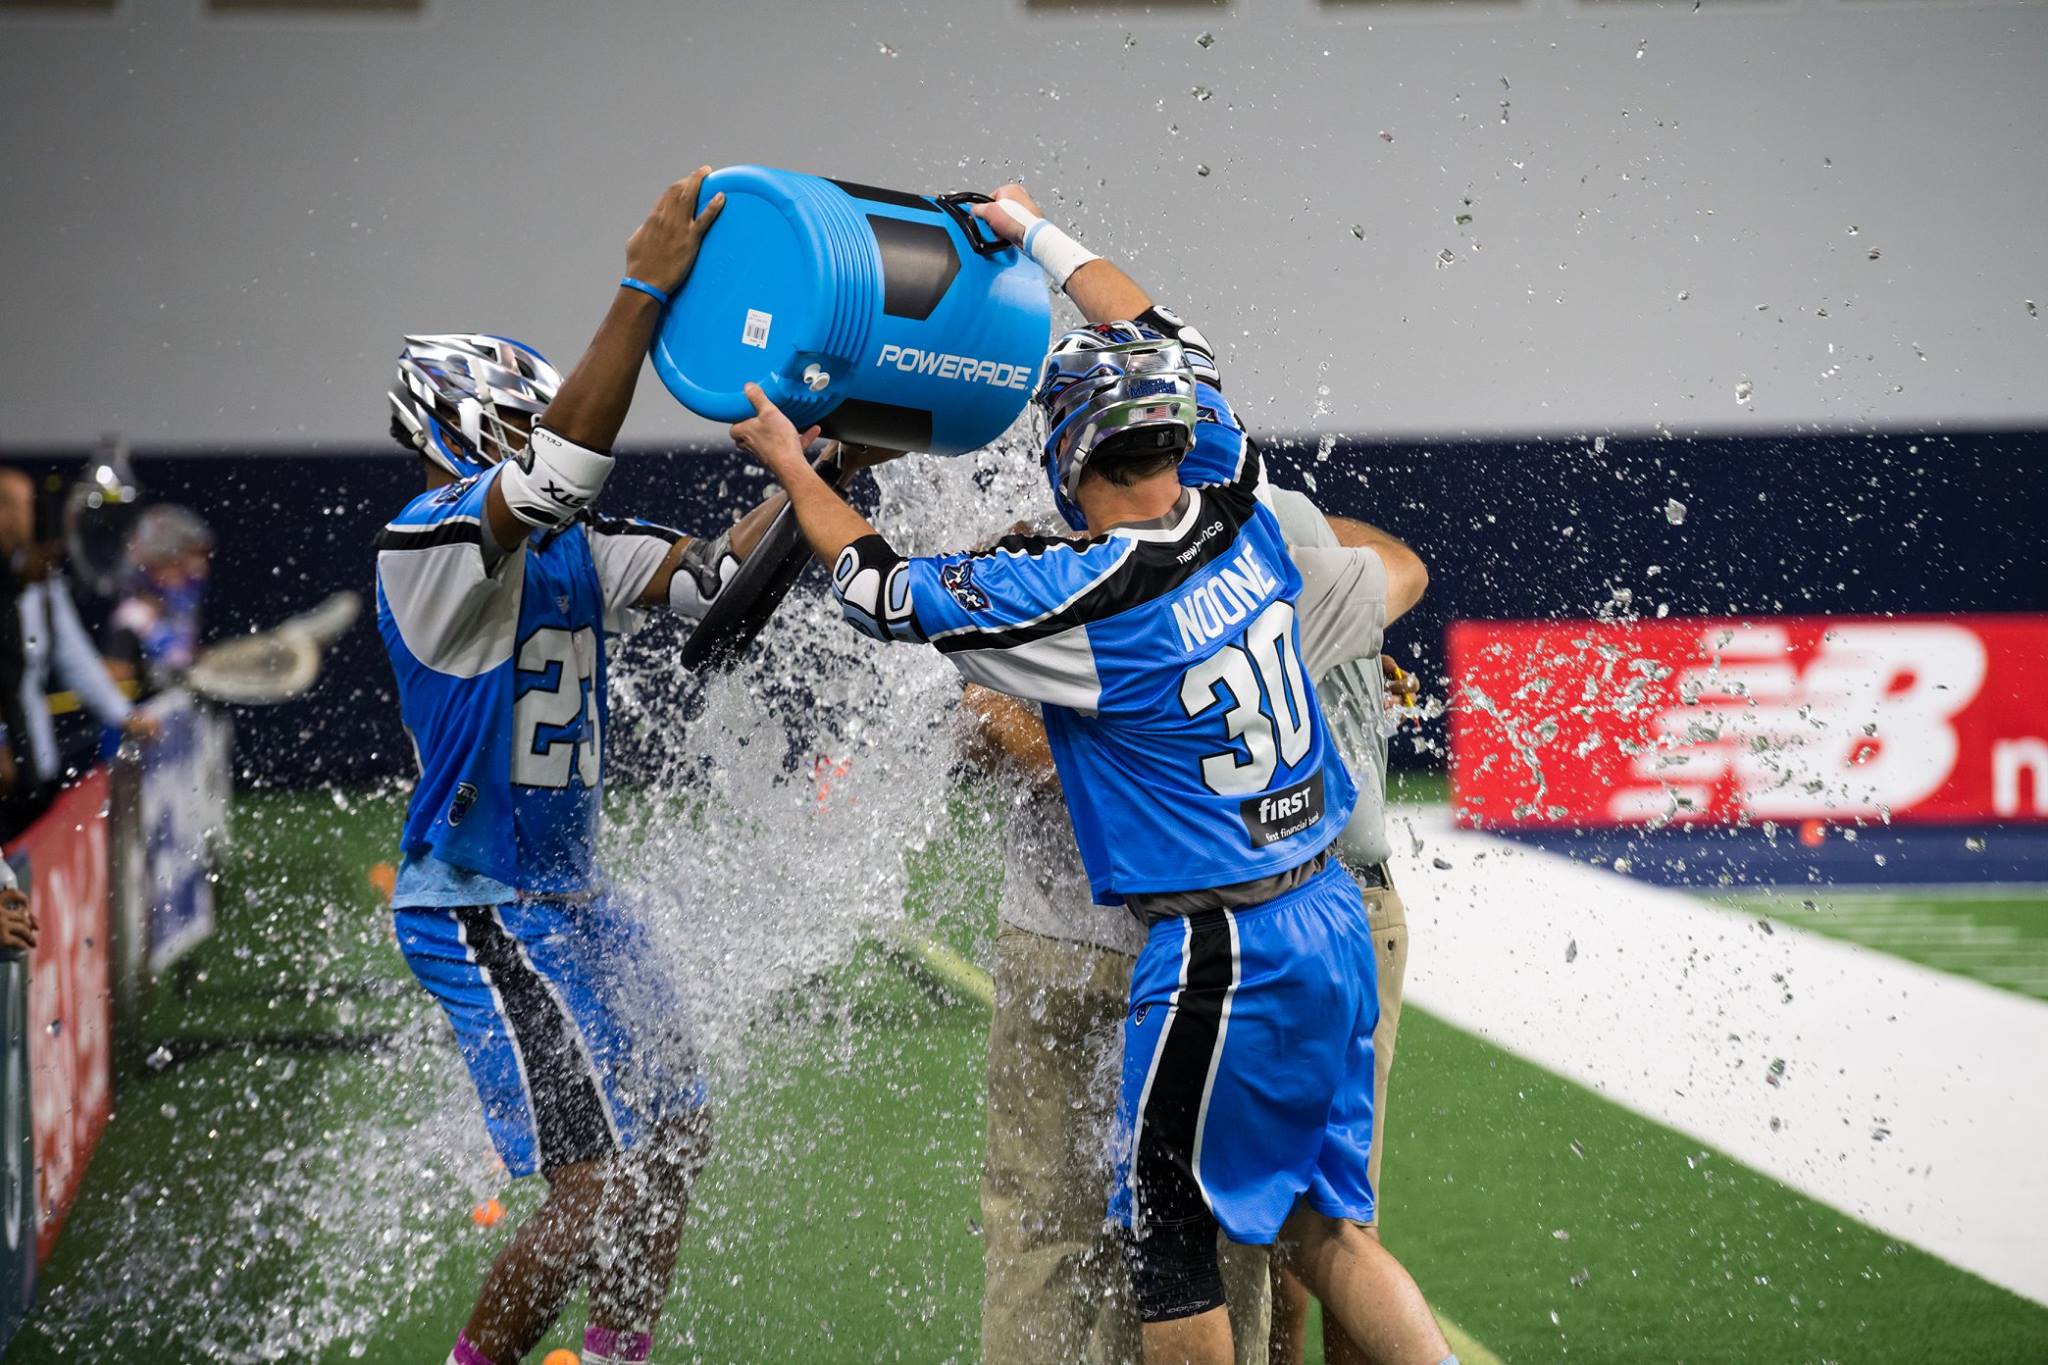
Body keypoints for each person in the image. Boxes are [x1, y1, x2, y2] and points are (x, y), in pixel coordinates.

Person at [730, 183, 1454, 1365]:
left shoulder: (1078, 600)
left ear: (1068, 460)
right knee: (1326, 1234)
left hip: (1219, 948)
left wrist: (787, 460)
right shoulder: (1238, 513)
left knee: (1169, 1258)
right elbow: (1169, 337)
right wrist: (1032, 230)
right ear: (1181, 428)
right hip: (1324, 908)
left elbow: (869, 585)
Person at [377, 169, 889, 1365]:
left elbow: (711, 577)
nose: (554, 424)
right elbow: (558, 471)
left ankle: (615, 1353)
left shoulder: (574, 549)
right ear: (467, 432)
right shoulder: (433, 543)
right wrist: (642, 293)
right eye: (524, 417)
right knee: (593, 1180)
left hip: (574, 899)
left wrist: (829, 473)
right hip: (482, 904)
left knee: (673, 1137)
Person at [964, 483, 1427, 1365]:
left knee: (1182, 1241)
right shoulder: (1242, 545)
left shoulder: (1201, 536)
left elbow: (959, 685)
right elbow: (1402, 568)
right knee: (1274, 1231)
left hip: (1207, 944)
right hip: (1248, 928)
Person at [0, 467, 155, 817]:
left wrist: (123, 714)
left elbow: (73, 655)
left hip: (34, 764)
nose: (34, 517)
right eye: (24, 506)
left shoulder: (41, 580)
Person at [102, 503, 215, 699]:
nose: (198, 572)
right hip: (151, 720)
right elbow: (115, 680)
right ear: (155, 567)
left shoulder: (181, 612)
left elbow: (182, 655)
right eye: (183, 564)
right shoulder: (132, 617)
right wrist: (148, 678)